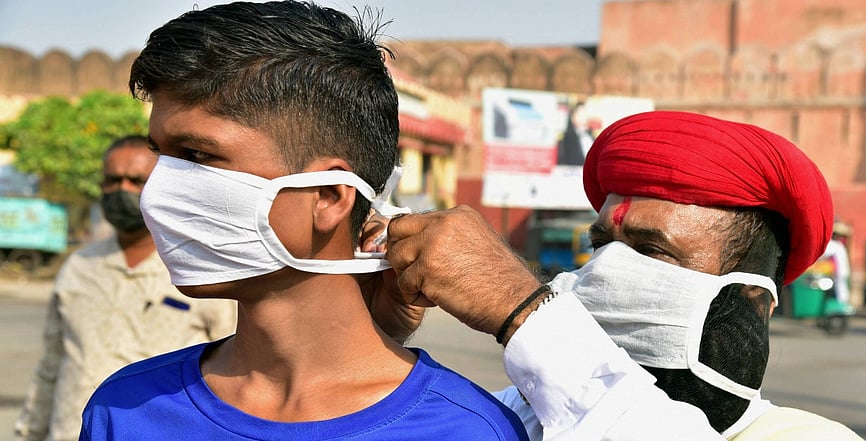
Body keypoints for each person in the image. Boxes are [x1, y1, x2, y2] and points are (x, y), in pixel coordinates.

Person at [79, 2, 527, 440]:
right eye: (161, 156)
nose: (158, 191)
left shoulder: (465, 429)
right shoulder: (124, 409)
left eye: (196, 155)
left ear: (329, 196)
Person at [378, 111, 863, 440]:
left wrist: (521, 310)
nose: (606, 270)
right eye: (602, 245)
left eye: (651, 250)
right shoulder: (516, 412)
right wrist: (379, 347)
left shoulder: (804, 435)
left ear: (752, 302)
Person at [15, 136, 237, 441]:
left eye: (136, 181)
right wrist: (29, 432)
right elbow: (51, 365)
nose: (122, 191)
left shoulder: (198, 270)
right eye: (113, 181)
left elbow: (234, 371)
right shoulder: (79, 266)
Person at [555, 102, 592, 166]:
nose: (584, 118)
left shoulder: (591, 136)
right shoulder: (566, 138)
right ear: (572, 117)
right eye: (581, 115)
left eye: (585, 114)